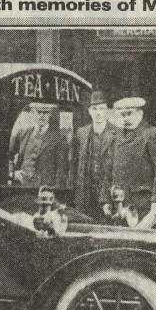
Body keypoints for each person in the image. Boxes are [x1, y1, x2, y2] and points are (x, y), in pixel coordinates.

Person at [104, 97, 156, 229]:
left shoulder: (153, 135)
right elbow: (108, 171)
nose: (125, 118)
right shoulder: (116, 138)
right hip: (121, 204)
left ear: (140, 113)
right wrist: (105, 199)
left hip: (143, 204)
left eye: (129, 114)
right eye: (122, 115)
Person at [69, 90, 117, 219]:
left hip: (107, 193)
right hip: (85, 192)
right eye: (94, 109)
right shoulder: (81, 133)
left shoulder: (116, 134)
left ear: (107, 110)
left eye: (102, 108)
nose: (98, 113)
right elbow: (74, 163)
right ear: (89, 111)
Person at [8, 102, 69, 188]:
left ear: (50, 114)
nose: (42, 116)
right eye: (39, 112)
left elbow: (62, 169)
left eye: (45, 113)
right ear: (32, 113)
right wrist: (13, 173)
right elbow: (8, 154)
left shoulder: (59, 137)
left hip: (44, 189)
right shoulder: (23, 133)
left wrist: (56, 190)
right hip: (21, 187)